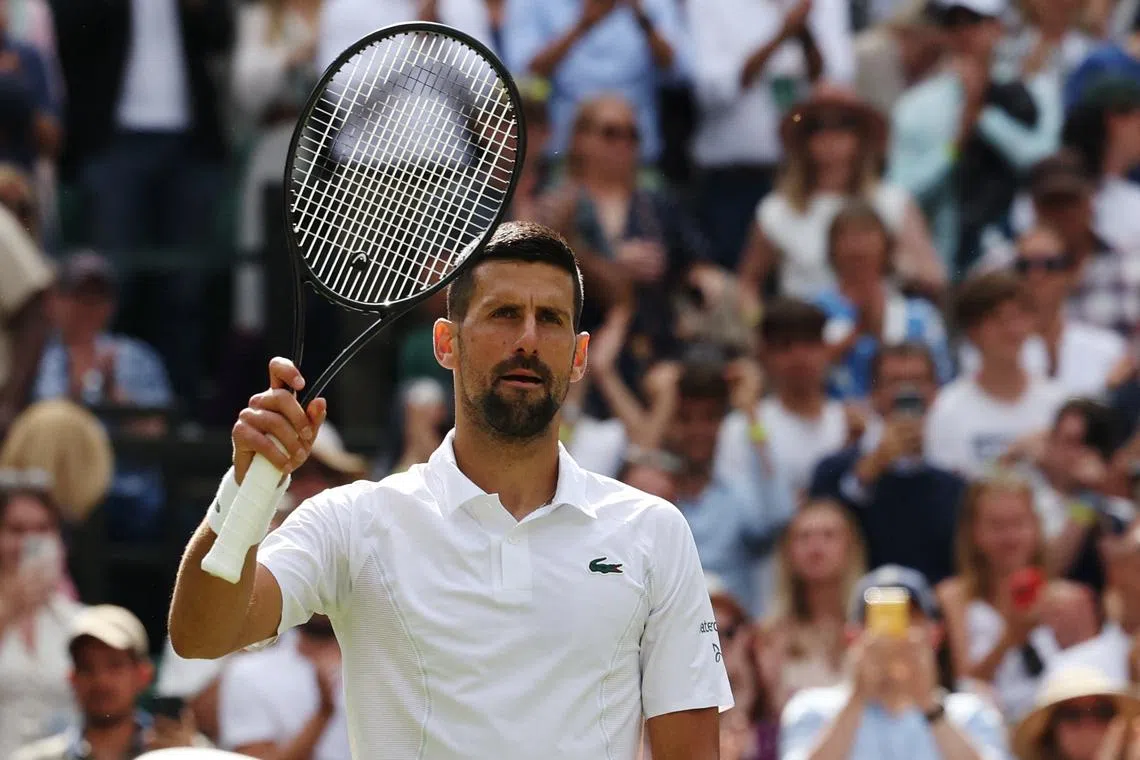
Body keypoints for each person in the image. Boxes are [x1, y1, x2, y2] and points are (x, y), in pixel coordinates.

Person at [168, 221, 733, 758]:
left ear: (579, 355)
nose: (528, 339)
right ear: (446, 342)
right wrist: (245, 491)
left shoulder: (655, 531)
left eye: (551, 319)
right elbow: (202, 633)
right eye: (504, 313)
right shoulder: (355, 519)